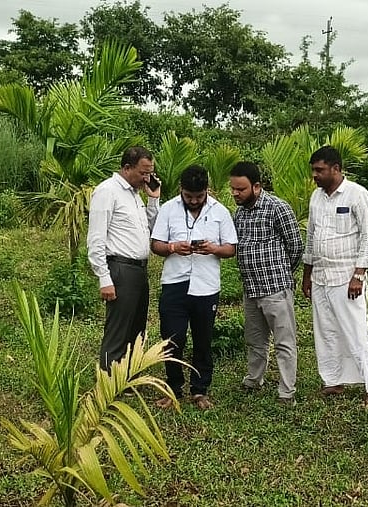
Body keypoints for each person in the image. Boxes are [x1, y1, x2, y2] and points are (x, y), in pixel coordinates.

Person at [150, 165, 237, 410]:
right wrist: (172, 248)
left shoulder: (220, 212)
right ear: (181, 190)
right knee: (171, 339)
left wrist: (213, 249)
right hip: (174, 283)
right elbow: (156, 244)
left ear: (207, 190)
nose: (194, 201)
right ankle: (173, 390)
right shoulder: (168, 209)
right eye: (189, 197)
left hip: (206, 285)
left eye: (199, 197)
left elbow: (231, 248)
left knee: (203, 340)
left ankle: (200, 391)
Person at [301, 145, 368, 407]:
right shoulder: (316, 198)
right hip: (321, 276)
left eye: (319, 170)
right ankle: (332, 381)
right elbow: (311, 238)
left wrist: (359, 274)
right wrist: (307, 273)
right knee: (326, 331)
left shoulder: (357, 195)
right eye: (313, 170)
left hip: (347, 277)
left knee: (356, 331)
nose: (315, 175)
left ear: (336, 169)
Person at [228, 161, 304, 406]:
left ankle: (286, 392)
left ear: (257, 186)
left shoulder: (277, 208)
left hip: (275, 288)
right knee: (254, 338)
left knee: (284, 341)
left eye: (241, 189)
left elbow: (295, 246)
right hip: (250, 288)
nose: (235, 194)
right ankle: (254, 378)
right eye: (233, 189)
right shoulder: (239, 213)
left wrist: (282, 274)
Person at [87, 146, 161, 371]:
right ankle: (109, 382)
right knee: (118, 330)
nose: (147, 178)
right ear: (127, 168)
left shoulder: (134, 194)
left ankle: (125, 378)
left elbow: (151, 227)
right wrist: (104, 278)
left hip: (139, 270)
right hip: (120, 269)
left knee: (136, 329)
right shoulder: (107, 191)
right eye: (143, 173)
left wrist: (153, 200)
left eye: (150, 173)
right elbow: (96, 239)